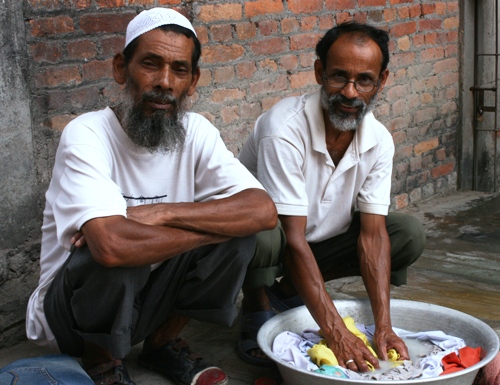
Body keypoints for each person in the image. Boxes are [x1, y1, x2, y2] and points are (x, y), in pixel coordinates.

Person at [25, 8, 278, 385]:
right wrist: (209, 226)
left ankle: (162, 343)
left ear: (192, 82)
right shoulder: (87, 134)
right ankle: (102, 360)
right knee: (113, 255)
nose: (164, 82)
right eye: (150, 64)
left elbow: (262, 211)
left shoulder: (197, 132)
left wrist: (159, 213)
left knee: (241, 239)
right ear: (120, 69)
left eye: (179, 70)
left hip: (148, 299)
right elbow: (112, 246)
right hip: (70, 318)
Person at [238, 21, 426, 370]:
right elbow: (292, 238)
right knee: (264, 235)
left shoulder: (379, 140)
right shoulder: (283, 128)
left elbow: (372, 235)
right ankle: (258, 301)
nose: (351, 93)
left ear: (381, 81)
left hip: (318, 242)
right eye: (339, 77)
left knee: (405, 234)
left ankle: (288, 294)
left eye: (364, 80)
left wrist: (384, 326)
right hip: (269, 242)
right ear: (320, 72)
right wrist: (336, 331)